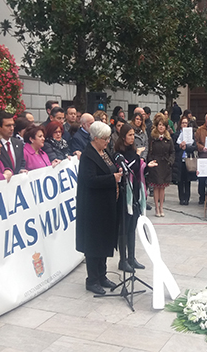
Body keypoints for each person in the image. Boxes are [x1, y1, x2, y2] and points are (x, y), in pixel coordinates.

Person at [75, 122, 122, 295]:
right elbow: (90, 180)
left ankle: (102, 275)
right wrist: (112, 178)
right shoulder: (88, 156)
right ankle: (92, 279)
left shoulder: (105, 152)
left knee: (104, 241)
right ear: (96, 138)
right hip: (93, 206)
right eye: (105, 139)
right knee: (94, 244)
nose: (108, 142)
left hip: (106, 204)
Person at [114, 124, 157, 272]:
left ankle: (132, 258)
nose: (133, 138)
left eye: (133, 135)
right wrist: (139, 157)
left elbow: (138, 167)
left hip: (135, 191)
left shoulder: (132, 151)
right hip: (125, 194)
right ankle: (123, 259)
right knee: (124, 228)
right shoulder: (119, 153)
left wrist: (146, 166)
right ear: (123, 136)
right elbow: (129, 167)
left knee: (132, 227)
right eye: (130, 135)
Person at [147, 114, 174, 217]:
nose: (161, 127)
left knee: (162, 188)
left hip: (165, 164)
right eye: (159, 125)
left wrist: (170, 161)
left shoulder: (168, 138)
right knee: (156, 187)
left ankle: (161, 207)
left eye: (163, 125)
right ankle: (156, 208)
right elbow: (150, 151)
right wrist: (150, 161)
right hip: (155, 163)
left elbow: (172, 151)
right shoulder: (153, 138)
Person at [172, 117, 197, 205]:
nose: (184, 125)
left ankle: (187, 198)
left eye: (186, 123)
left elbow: (194, 147)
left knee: (187, 180)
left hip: (188, 158)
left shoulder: (191, 134)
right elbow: (173, 147)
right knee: (180, 180)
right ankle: (181, 198)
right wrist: (180, 146)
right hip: (179, 159)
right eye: (183, 123)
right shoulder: (177, 134)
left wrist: (187, 147)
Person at [0, 111, 26, 175]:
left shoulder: (18, 143)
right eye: (8, 126)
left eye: (13, 125)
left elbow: (21, 162)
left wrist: (21, 170)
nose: (12, 128)